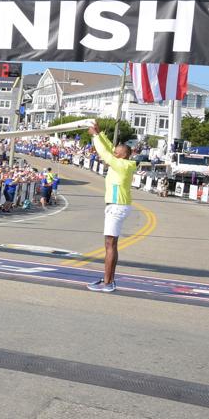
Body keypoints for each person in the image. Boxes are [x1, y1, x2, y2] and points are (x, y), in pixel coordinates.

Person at [86, 122, 137, 293]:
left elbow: (105, 154)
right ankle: (108, 278)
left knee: (110, 245)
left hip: (117, 206)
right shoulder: (122, 161)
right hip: (117, 206)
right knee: (110, 244)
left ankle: (109, 282)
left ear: (123, 156)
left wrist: (94, 136)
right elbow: (109, 148)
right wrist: (100, 134)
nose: (114, 154)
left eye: (117, 153)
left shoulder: (122, 165)